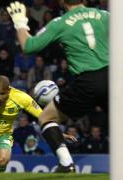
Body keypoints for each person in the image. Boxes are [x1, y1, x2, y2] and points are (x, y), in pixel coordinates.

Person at [7, 0, 108, 173]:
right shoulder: (106, 16)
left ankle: (67, 163)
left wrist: (20, 23)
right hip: (115, 76)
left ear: (62, 1)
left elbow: (29, 46)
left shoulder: (59, 23)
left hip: (88, 81)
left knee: (46, 118)